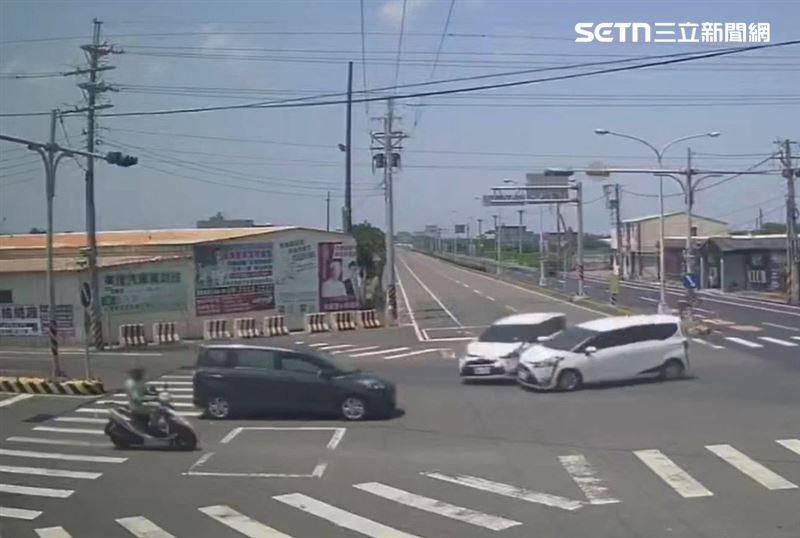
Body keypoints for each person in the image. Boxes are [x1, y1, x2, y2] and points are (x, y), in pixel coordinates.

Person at [124, 367, 159, 433]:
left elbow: (144, 391)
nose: (142, 374)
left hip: (141, 404)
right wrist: (152, 398)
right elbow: (136, 399)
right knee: (156, 412)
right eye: (139, 373)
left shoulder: (139, 381)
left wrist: (153, 393)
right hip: (137, 407)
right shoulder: (132, 384)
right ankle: (152, 431)